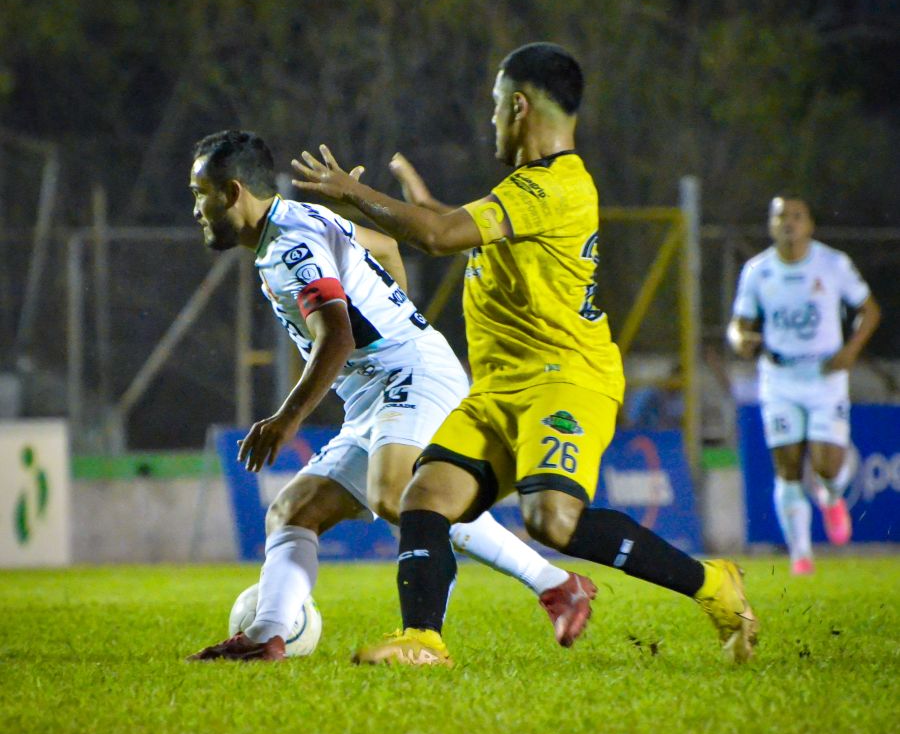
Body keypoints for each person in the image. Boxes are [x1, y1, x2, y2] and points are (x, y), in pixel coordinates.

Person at [291, 42, 758, 666]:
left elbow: (437, 237)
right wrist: (412, 208)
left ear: (517, 105)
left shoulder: (558, 185)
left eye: (492, 106)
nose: (489, 120)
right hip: (499, 388)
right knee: (424, 497)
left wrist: (354, 194)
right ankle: (423, 640)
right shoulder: (528, 189)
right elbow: (454, 227)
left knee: (553, 522)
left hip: (565, 382)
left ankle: (713, 584)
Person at [185, 129, 598, 662]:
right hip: (378, 389)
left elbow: (337, 337)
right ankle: (266, 637)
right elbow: (382, 245)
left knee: (398, 492)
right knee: (293, 510)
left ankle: (520, 598)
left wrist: (285, 420)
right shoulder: (299, 219)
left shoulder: (289, 246)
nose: (197, 208)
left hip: (411, 376)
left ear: (234, 192)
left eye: (202, 194)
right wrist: (397, 309)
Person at [727, 194, 881, 575]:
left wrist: (850, 351)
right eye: (781, 217)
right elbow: (739, 323)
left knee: (828, 464)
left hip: (825, 376)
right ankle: (801, 556)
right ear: (771, 225)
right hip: (779, 377)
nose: (789, 223)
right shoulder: (757, 271)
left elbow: (869, 310)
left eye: (797, 216)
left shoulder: (832, 264)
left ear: (809, 224)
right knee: (788, 466)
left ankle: (831, 497)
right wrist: (738, 340)